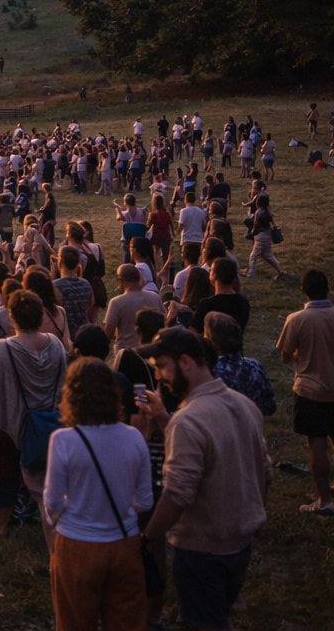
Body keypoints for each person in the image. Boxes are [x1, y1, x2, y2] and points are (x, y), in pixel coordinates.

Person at [139, 328, 270, 631]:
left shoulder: (189, 420)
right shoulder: (244, 405)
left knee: (203, 622)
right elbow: (264, 471)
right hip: (239, 540)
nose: (159, 377)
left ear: (185, 362)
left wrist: (149, 537)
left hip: (202, 548)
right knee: (218, 614)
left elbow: (177, 494)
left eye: (161, 366)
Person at [43, 357, 152, 631]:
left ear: (71, 396)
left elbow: (52, 502)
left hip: (77, 544)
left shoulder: (63, 440)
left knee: (74, 623)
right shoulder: (134, 437)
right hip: (124, 542)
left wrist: (73, 514)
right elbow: (144, 501)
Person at [0, 290, 67, 538]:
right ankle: (46, 518)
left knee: (4, 474)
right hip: (48, 421)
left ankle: (0, 525)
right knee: (45, 475)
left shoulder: (2, 349)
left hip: (9, 421)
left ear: (12, 317)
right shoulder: (56, 344)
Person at [276, 269, 334, 516]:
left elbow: (285, 355)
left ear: (304, 291)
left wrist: (304, 355)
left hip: (311, 391)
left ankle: (324, 500)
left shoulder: (296, 319)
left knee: (318, 446)